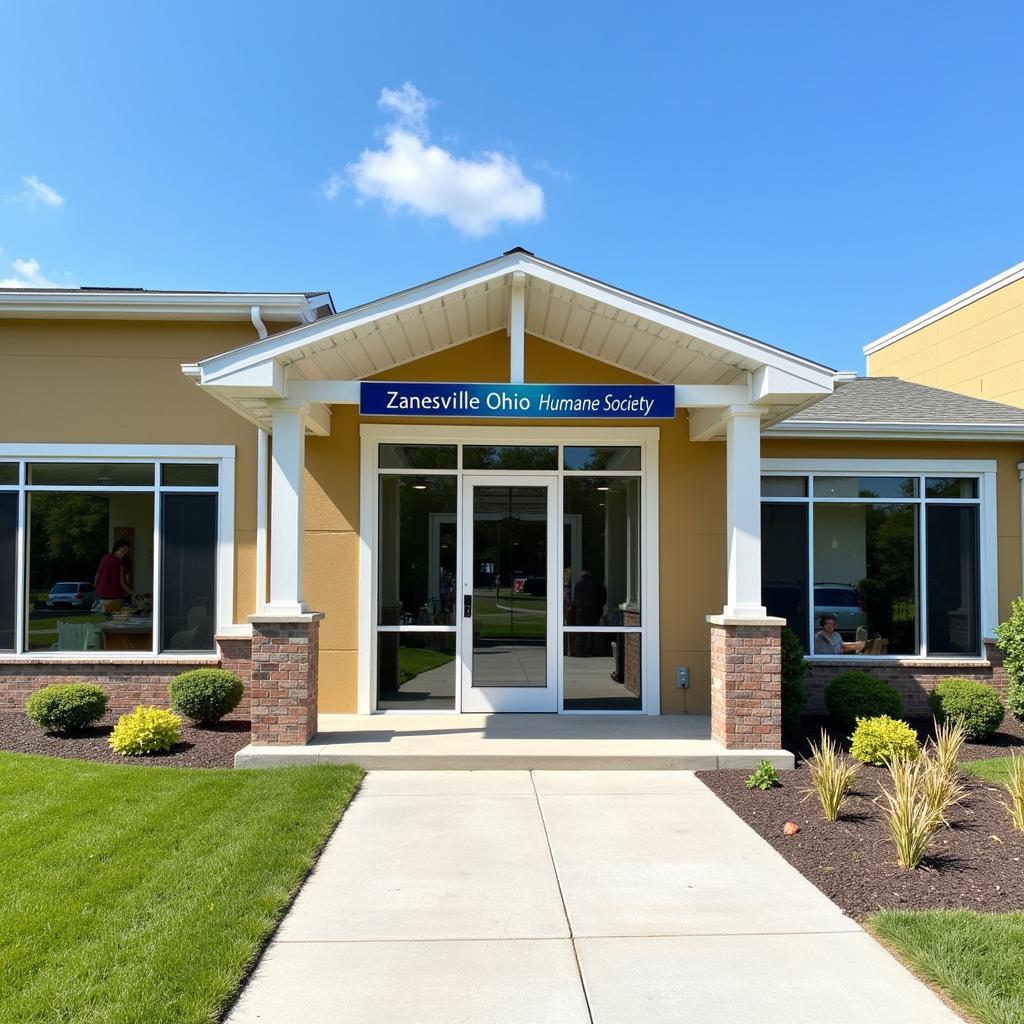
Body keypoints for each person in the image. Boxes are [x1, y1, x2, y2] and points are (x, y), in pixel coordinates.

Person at [94, 539, 135, 615]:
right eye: (125, 549)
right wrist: (133, 593)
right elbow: (122, 583)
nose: (125, 552)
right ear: (119, 547)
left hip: (103, 597)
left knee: (108, 619)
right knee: (117, 619)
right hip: (115, 597)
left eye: (127, 551)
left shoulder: (105, 558)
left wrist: (96, 590)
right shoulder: (119, 563)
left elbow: (97, 575)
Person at [572, 569, 607, 656]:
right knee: (592, 631)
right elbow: (604, 598)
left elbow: (575, 600)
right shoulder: (598, 584)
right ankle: (590, 650)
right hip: (595, 610)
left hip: (581, 611)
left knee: (581, 631)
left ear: (582, 576)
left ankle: (581, 651)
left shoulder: (578, 585)